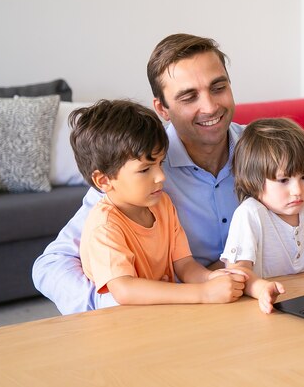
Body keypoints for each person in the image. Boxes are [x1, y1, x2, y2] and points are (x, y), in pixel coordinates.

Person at [32, 33, 246, 314]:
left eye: (218, 87)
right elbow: (51, 265)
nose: (209, 107)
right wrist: (121, 302)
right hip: (175, 313)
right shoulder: (134, 166)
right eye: (188, 96)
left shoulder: (263, 149)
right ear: (162, 109)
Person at [67, 99, 246, 305]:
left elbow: (185, 264)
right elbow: (124, 290)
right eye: (145, 169)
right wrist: (203, 293)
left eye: (160, 163)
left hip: (160, 313)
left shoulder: (162, 204)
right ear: (104, 180)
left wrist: (210, 279)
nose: (161, 176)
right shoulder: (105, 226)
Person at [220, 118, 304, 313]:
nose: (298, 190)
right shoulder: (250, 214)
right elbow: (238, 271)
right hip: (266, 307)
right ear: (254, 182)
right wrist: (260, 289)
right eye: (283, 180)